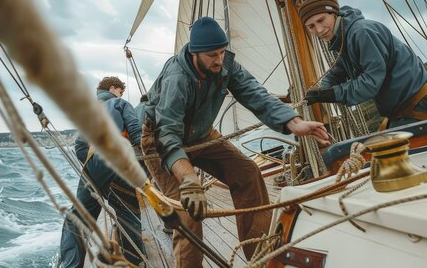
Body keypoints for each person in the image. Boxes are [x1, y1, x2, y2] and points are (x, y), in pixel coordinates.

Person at [140, 17, 329, 268]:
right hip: (162, 142)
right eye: (211, 55)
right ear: (195, 53)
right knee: (188, 212)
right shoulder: (177, 77)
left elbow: (255, 93)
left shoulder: (226, 65)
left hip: (203, 135)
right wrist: (187, 177)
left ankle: (259, 256)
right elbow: (167, 133)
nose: (219, 60)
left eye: (222, 52)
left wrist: (295, 123)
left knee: (248, 173)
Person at [298, 0, 427, 128]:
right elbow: (337, 72)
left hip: (424, 107)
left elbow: (370, 83)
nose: (319, 30)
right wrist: (318, 89)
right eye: (311, 26)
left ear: (334, 14)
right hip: (404, 113)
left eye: (321, 20)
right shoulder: (342, 40)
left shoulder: (362, 32)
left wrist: (330, 94)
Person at [59, 77, 145, 268]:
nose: (121, 95)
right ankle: (134, 261)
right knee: (128, 212)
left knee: (78, 218)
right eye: (120, 91)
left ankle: (71, 265)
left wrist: (95, 169)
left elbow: (80, 146)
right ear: (113, 89)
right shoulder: (120, 103)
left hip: (96, 163)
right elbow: (135, 130)